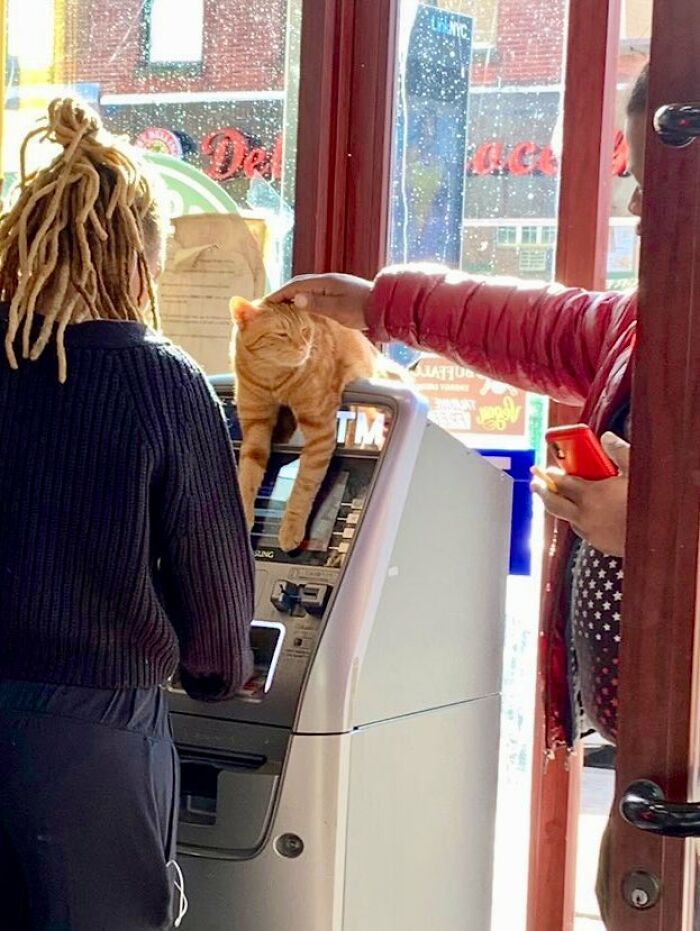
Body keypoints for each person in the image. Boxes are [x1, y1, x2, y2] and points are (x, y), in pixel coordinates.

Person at [268, 64, 650, 929]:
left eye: (650, 182)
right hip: (652, 762)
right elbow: (535, 323)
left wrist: (652, 539)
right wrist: (383, 303)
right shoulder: (650, 320)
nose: (633, 205)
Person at [0, 99, 254, 930]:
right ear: (138, 263)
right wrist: (216, 675)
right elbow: (218, 615)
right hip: (92, 735)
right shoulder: (162, 381)